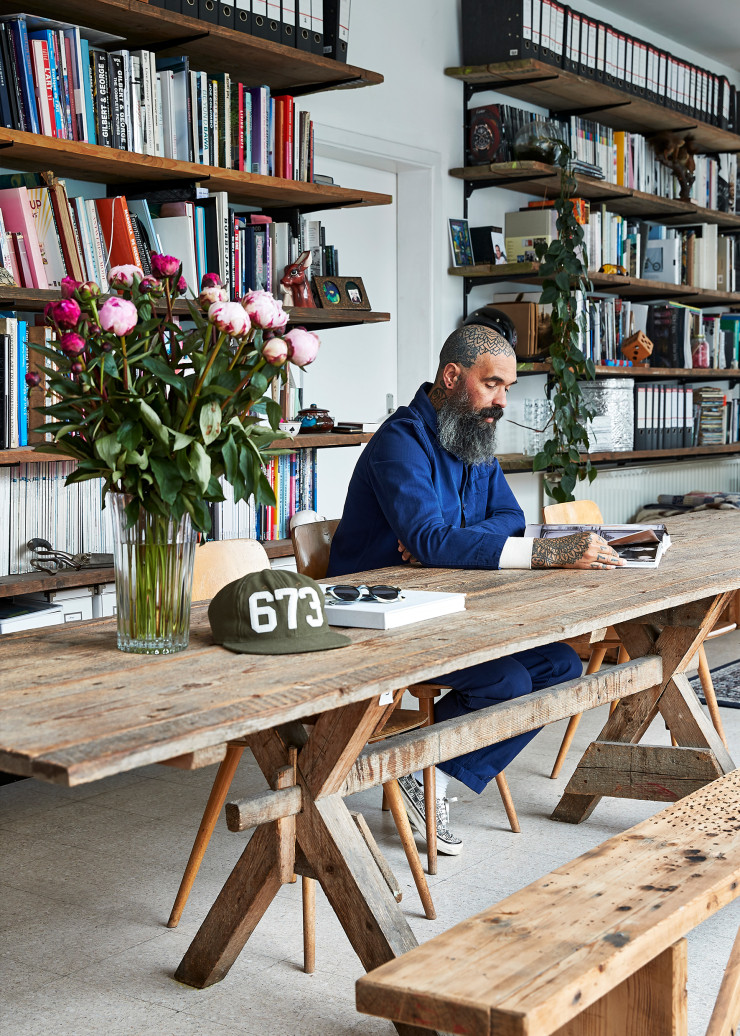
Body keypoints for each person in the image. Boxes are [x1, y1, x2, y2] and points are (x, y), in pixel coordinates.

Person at [327, 321, 624, 855]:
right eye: (493, 384)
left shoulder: (472, 434)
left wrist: (447, 542)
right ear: (452, 376)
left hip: (450, 606)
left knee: (560, 667)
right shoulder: (400, 441)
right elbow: (432, 539)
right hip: (380, 619)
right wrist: (530, 551)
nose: (501, 400)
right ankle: (419, 772)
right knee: (507, 680)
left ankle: (426, 772)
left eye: (507, 388)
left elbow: (507, 517)